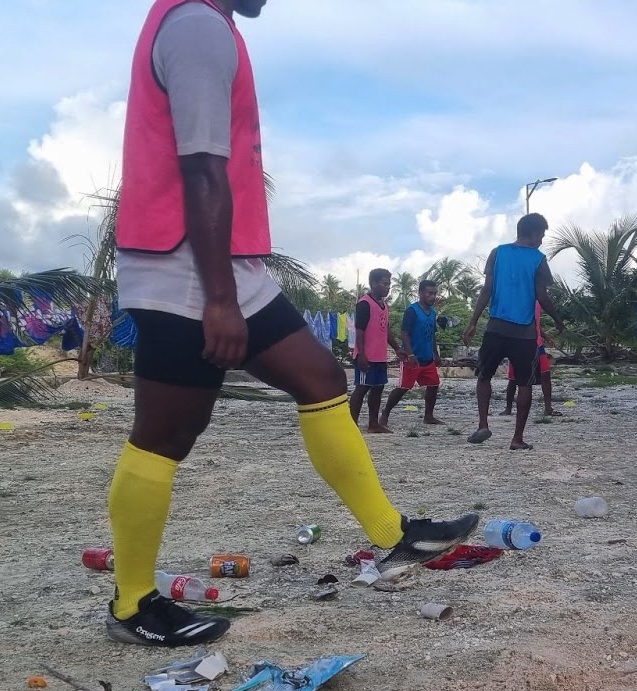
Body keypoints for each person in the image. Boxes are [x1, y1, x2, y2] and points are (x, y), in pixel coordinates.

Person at [106, 0, 476, 647]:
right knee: (166, 434)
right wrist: (218, 299)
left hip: (226, 269)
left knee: (320, 377)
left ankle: (393, 533)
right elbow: (201, 169)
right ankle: (133, 602)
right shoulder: (195, 25)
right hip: (184, 270)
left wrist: (229, 287)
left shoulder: (206, 26)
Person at [464, 213, 564, 450]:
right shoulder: (538, 259)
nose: (542, 240)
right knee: (525, 383)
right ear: (532, 232)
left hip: (496, 327)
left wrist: (473, 321)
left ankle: (483, 424)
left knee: (484, 376)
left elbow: (486, 289)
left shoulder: (497, 253)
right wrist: (558, 320)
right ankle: (517, 438)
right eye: (542, 234)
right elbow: (542, 295)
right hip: (524, 333)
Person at [379, 278, 445, 427]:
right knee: (403, 388)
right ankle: (385, 413)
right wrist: (409, 354)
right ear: (421, 293)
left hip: (427, 358)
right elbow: (404, 333)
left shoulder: (433, 312)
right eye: (429, 293)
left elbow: (433, 334)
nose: (433, 297)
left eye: (435, 293)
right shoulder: (412, 311)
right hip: (413, 358)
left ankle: (428, 416)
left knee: (434, 385)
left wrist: (436, 354)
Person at [350, 268, 400, 434]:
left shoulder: (385, 306)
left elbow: (386, 330)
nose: (388, 287)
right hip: (367, 356)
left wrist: (398, 349)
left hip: (380, 356)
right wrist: (362, 354)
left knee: (378, 388)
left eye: (389, 284)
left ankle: (373, 424)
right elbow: (360, 331)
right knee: (362, 388)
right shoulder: (364, 303)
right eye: (385, 283)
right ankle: (352, 425)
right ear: (373, 283)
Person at [501, 304, 559, 419]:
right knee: (514, 378)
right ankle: (508, 408)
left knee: (545, 375)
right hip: (519, 343)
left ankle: (548, 408)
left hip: (536, 343)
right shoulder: (519, 300)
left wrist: (546, 337)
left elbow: (536, 324)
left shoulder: (537, 303)